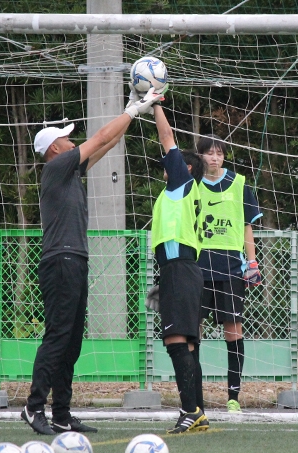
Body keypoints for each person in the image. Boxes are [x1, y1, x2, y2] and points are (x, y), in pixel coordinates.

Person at [21, 88, 163, 435]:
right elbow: (98, 136)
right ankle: (33, 406)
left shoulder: (69, 171)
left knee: (72, 341)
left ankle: (61, 413)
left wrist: (130, 109)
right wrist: (134, 112)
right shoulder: (56, 167)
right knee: (57, 336)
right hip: (60, 260)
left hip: (75, 259)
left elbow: (106, 144)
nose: (72, 143)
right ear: (55, 149)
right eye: (66, 140)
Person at [149, 101, 210, 434]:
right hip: (181, 268)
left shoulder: (181, 185)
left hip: (180, 268)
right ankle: (197, 410)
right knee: (186, 342)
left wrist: (155, 103)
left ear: (184, 168)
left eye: (170, 163)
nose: (165, 166)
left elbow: (167, 136)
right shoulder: (182, 191)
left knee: (176, 341)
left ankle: (190, 410)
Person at [196, 134, 262, 414]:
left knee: (233, 331)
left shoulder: (239, 183)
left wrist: (253, 262)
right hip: (197, 267)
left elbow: (247, 226)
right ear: (200, 156)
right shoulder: (191, 184)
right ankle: (194, 397)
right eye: (209, 153)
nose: (215, 157)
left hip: (230, 269)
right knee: (192, 333)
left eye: (219, 153)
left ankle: (233, 396)